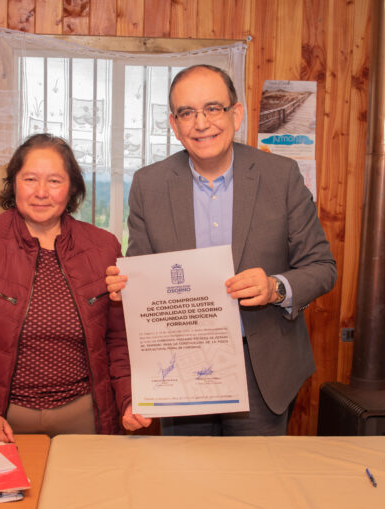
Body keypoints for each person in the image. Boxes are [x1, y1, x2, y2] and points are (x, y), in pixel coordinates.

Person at [106, 65, 336, 435]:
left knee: (253, 484)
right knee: (189, 483)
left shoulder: (281, 176)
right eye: (187, 112)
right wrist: (127, 289)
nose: (202, 123)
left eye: (213, 108)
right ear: (174, 124)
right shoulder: (148, 185)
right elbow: (142, 270)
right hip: (181, 362)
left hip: (261, 364)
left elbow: (322, 266)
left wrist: (275, 287)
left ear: (237, 114)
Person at [0, 134, 151, 443]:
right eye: (30, 179)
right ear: (13, 183)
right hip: (0, 419)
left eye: (54, 181)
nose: (41, 192)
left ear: (72, 188)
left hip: (86, 417)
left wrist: (130, 399)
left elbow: (119, 340)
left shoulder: (104, 247)